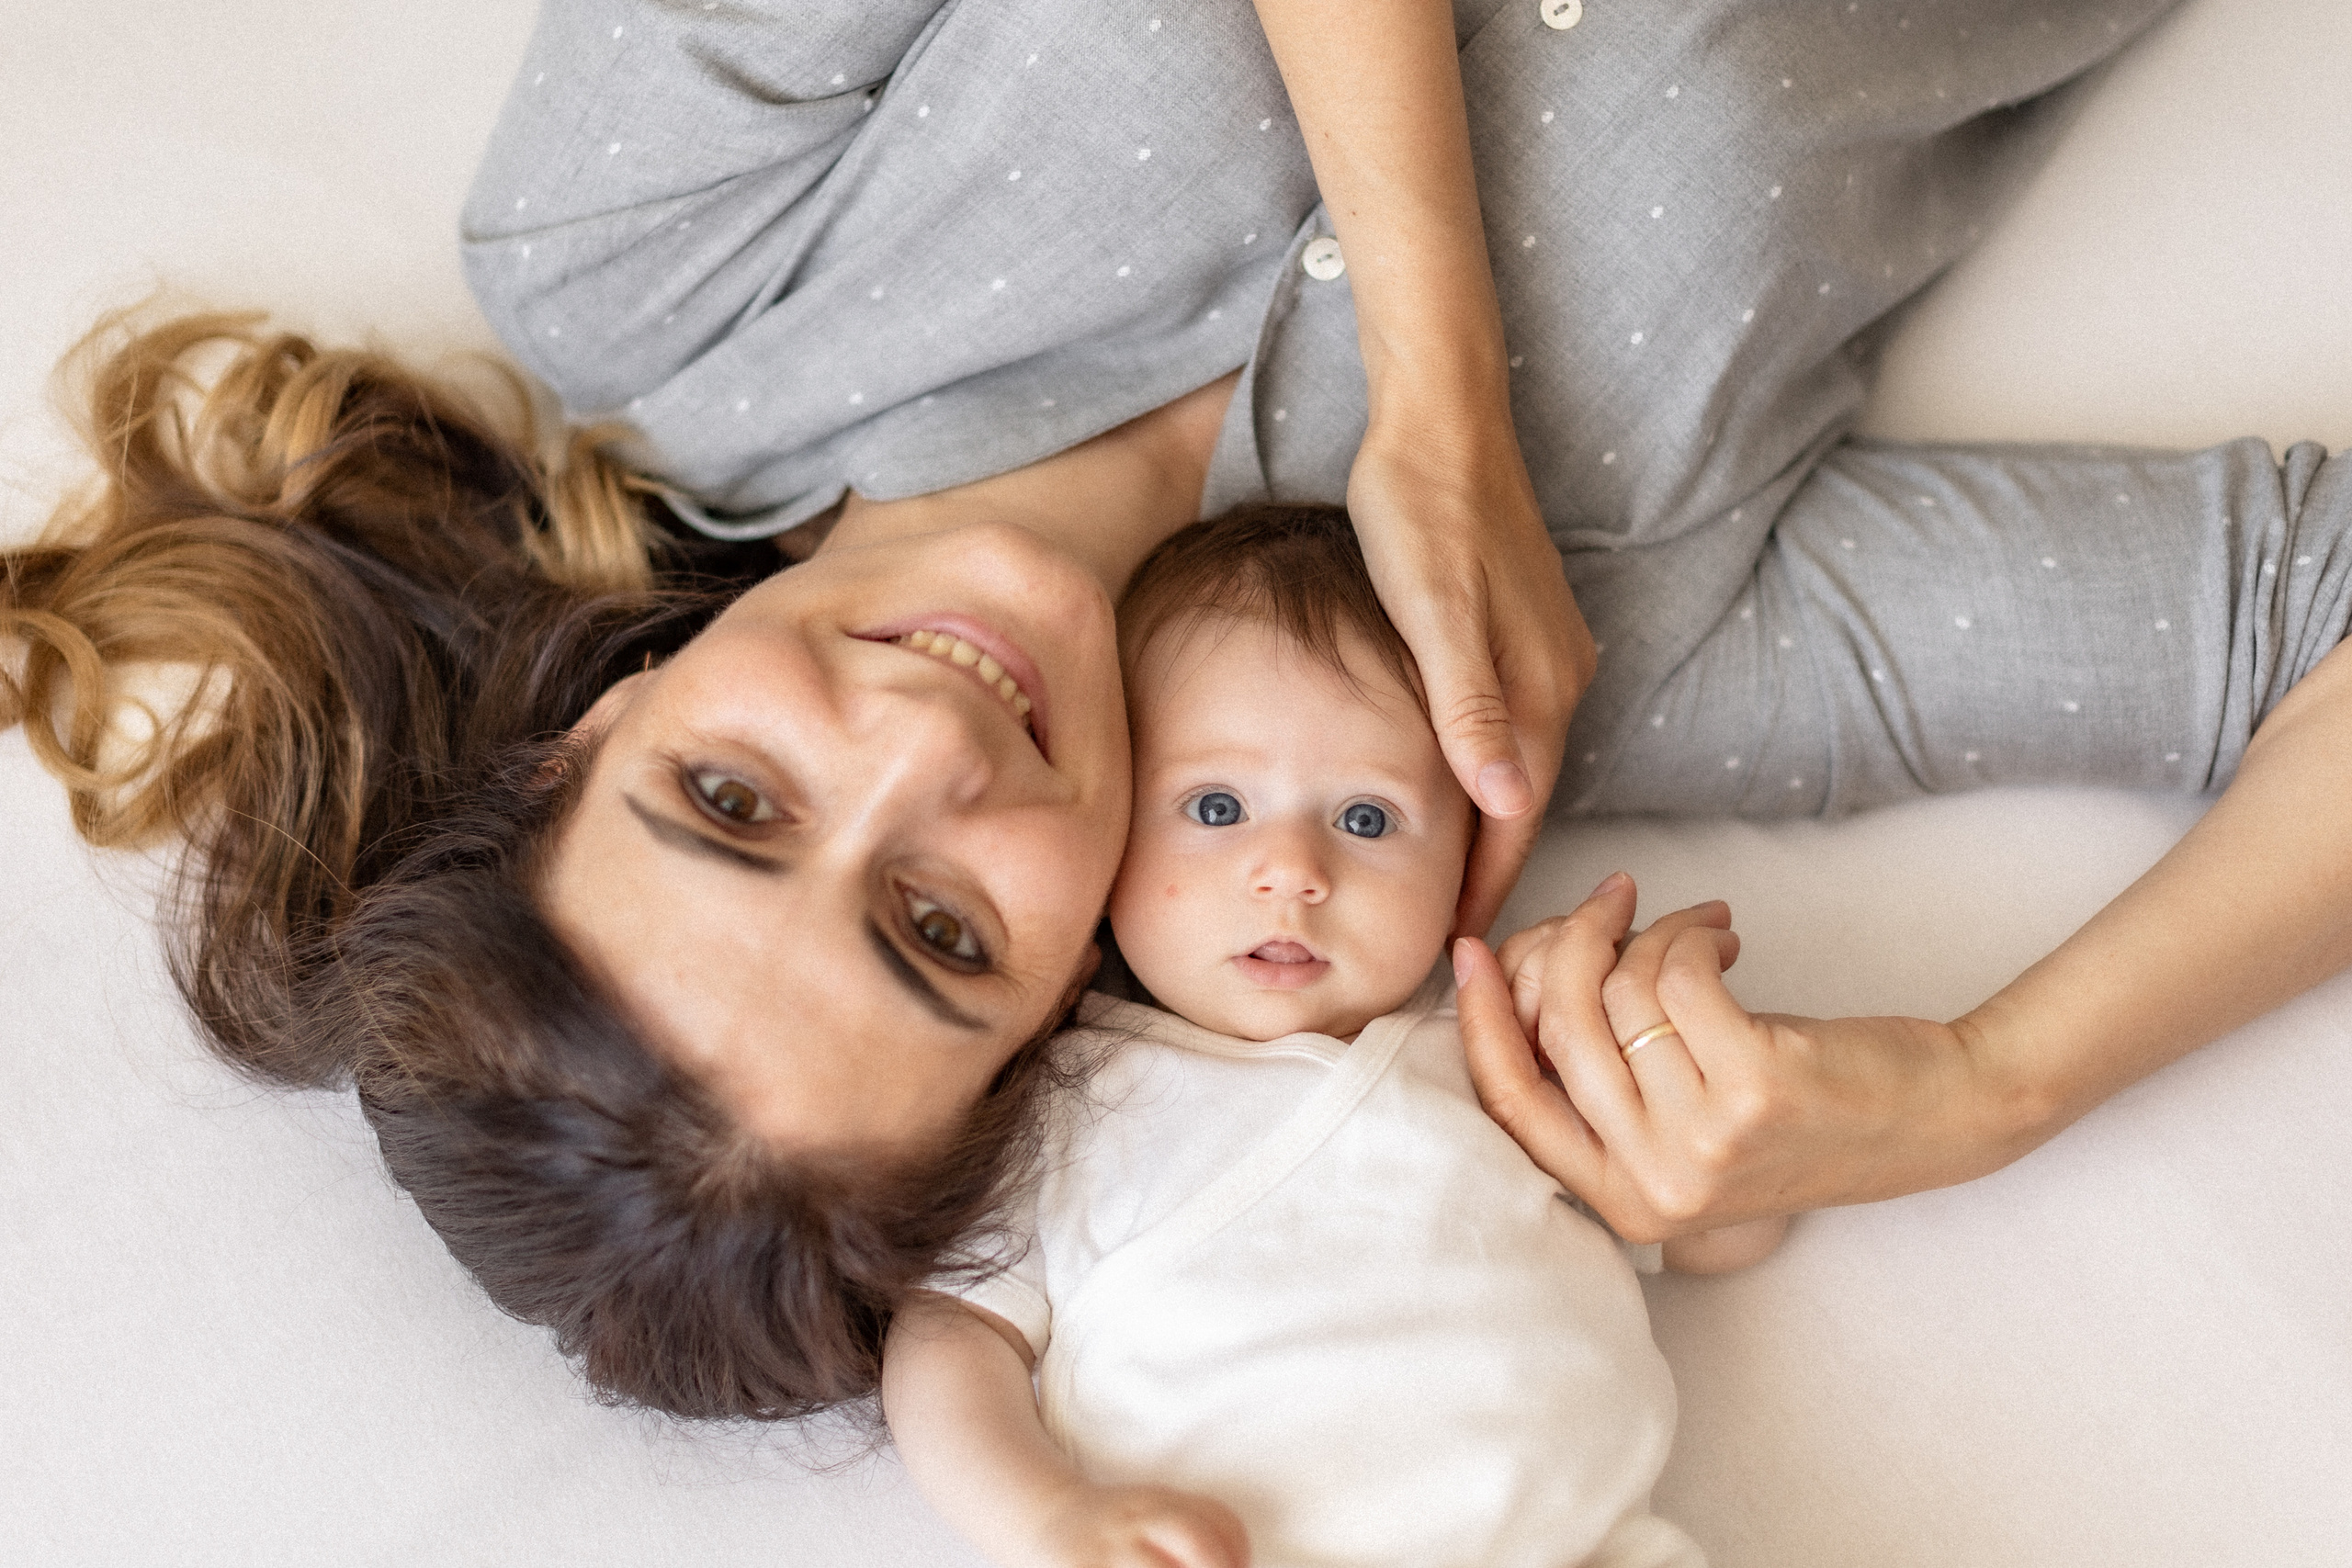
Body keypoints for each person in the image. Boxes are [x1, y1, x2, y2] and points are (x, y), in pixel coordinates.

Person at [4, 0, 2347, 1428]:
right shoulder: (1553, 686)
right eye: (937, 928)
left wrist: (1437, 380)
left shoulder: (647, 266)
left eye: (730, 794)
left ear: (587, 728)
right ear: (1066, 1011)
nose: (925, 750)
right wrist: (1979, 1088)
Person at [882, 505, 1777, 1568]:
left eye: (1365, 818)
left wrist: (1670, 1047)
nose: (1292, 871)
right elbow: (947, 1336)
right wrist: (1047, 1516)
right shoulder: (1063, 1097)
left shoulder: (1511, 1048)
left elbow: (1722, 1234)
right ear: (1109, 821)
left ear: (1473, 855)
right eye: (1217, 807)